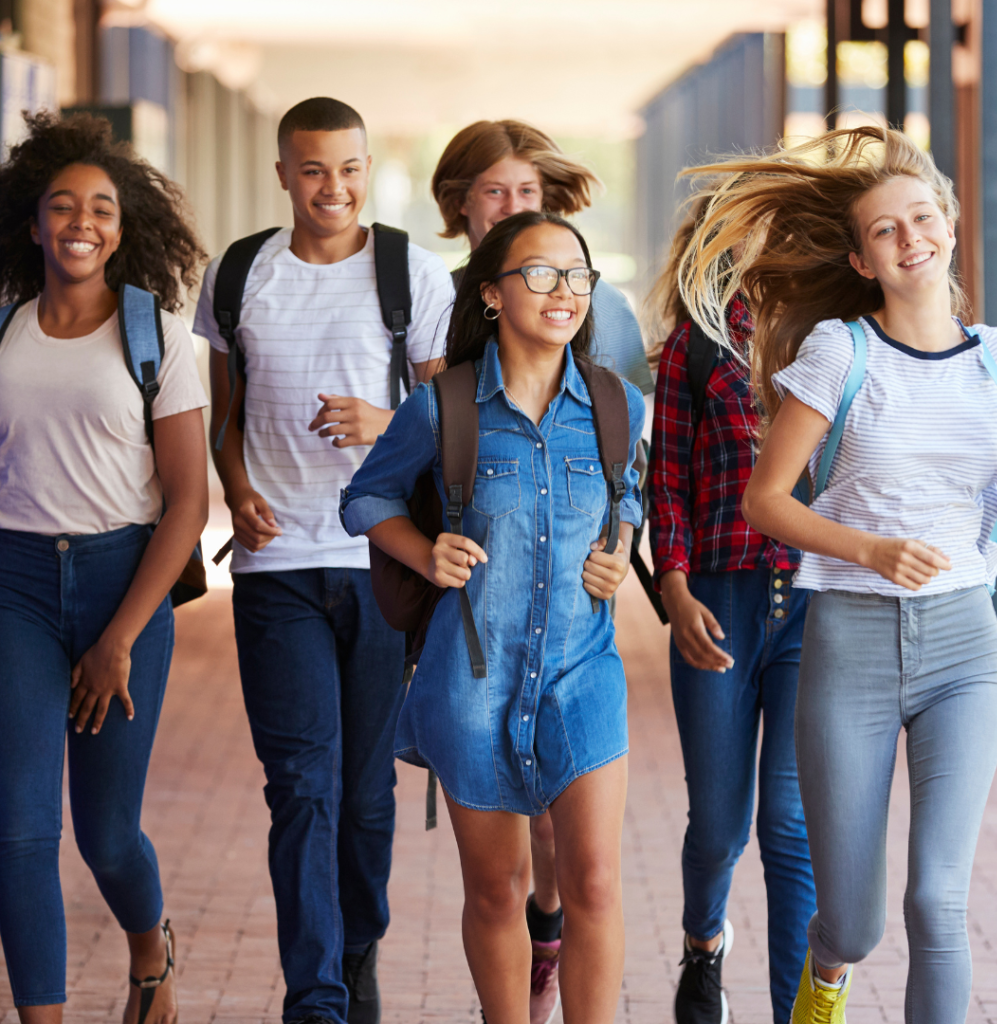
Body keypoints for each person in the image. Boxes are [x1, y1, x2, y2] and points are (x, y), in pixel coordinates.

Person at [676, 125, 997, 1023]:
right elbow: (765, 502)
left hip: (964, 647)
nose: (911, 238)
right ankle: (823, 984)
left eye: (922, 218)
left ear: (948, 222)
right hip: (851, 643)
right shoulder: (840, 351)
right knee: (856, 922)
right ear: (864, 259)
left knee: (937, 901)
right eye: (884, 230)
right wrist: (868, 549)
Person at [341, 210, 646, 1024]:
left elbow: (629, 497)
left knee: (592, 882)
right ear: (491, 295)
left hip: (584, 671)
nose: (564, 291)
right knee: (499, 888)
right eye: (540, 274)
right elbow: (364, 496)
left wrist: (619, 547)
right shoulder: (444, 408)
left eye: (578, 275)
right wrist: (422, 550)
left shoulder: (619, 406)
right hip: (472, 679)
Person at [193, 98, 453, 1024]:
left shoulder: (409, 275)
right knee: (301, 787)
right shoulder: (237, 276)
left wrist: (386, 425)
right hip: (274, 569)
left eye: (348, 169)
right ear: (282, 176)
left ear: (368, 168)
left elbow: (447, 433)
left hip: (380, 565)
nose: (331, 188)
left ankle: (357, 946)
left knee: (366, 793)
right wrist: (237, 488)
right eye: (312, 170)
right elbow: (224, 413)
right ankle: (318, 998)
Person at [431, 118, 652, 1024]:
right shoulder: (436, 316)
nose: (513, 206)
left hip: (574, 638)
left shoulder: (601, 320)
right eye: (494, 191)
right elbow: (407, 471)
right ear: (462, 207)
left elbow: (627, 456)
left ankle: (549, 930)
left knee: (574, 852)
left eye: (527, 192)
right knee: (502, 863)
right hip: (476, 631)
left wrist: (621, 546)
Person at [0, 111, 208, 1024]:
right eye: (62, 207)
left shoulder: (157, 339)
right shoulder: (2, 336)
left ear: (126, 229)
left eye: (102, 210)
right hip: (15, 588)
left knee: (107, 836)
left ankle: (149, 946)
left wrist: (120, 636)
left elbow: (189, 503)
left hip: (127, 583)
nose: (81, 223)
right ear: (33, 223)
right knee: (17, 832)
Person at [647, 203, 816, 1024]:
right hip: (716, 601)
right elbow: (666, 482)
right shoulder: (697, 339)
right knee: (718, 826)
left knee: (789, 825)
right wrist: (674, 590)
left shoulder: (836, 330)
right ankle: (703, 942)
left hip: (815, 606)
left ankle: (794, 1012)